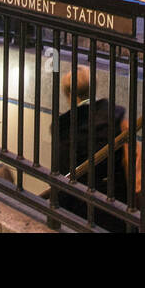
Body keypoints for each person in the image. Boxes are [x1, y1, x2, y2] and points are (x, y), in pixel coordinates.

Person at [52, 67, 133, 233]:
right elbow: (130, 163)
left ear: (69, 95)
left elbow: (61, 173)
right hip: (115, 203)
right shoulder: (116, 117)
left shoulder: (63, 127)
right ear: (94, 87)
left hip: (79, 208)